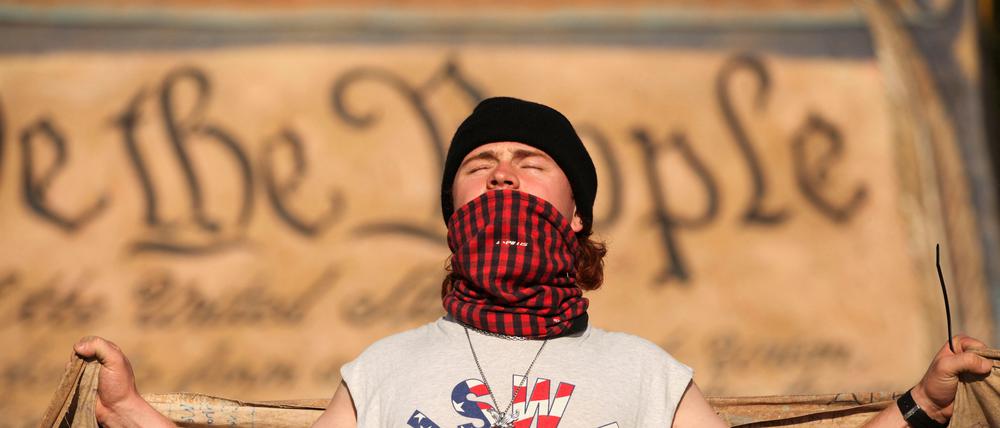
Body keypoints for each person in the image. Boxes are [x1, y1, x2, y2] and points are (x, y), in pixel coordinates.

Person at [75, 97, 994, 427]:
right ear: (453, 217)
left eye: (530, 163)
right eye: (480, 165)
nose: (504, 174)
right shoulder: (382, 370)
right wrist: (130, 411)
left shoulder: (646, 375)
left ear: (576, 216)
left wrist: (923, 401)